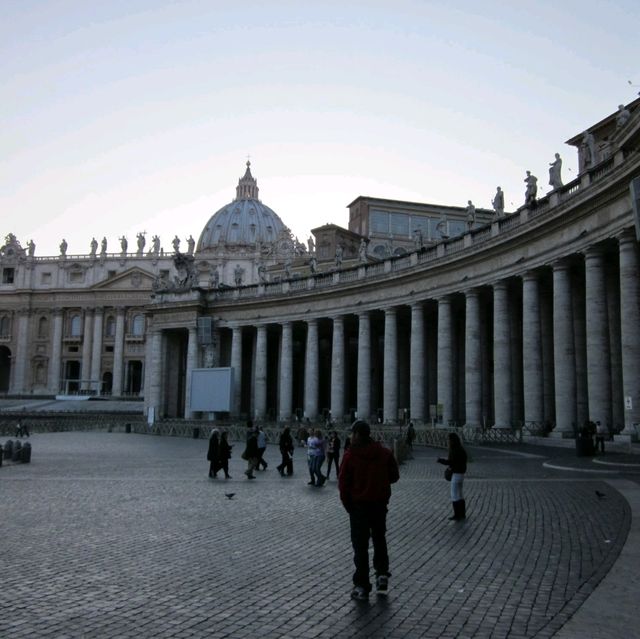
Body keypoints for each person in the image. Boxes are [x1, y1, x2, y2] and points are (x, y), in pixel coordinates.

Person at [339, 420, 400, 601]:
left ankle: (362, 586)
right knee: (380, 540)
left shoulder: (350, 456)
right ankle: (382, 574)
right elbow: (395, 476)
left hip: (359, 507)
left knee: (360, 547)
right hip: (379, 505)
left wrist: (349, 506)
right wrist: (380, 486)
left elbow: (343, 485)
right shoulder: (384, 453)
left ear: (357, 434)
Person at [437, 432, 468, 521]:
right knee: (460, 494)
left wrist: (440, 460)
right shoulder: (461, 450)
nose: (448, 441)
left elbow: (450, 462)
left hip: (455, 474)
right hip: (461, 474)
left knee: (454, 495)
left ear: (452, 440)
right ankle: (463, 513)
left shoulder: (454, 450)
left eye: (449, 440)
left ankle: (457, 514)